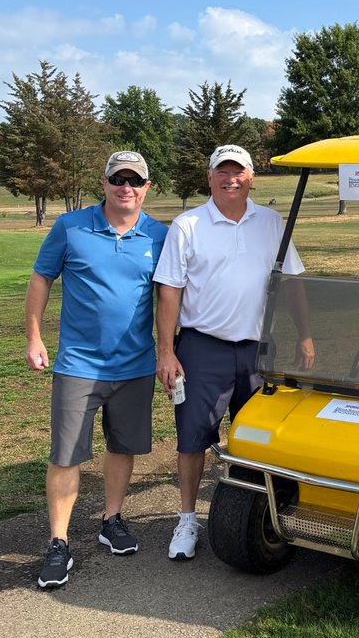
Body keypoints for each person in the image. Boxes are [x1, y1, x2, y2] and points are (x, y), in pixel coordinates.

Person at [154, 144, 314, 559]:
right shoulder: (187, 225)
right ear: (209, 178)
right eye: (222, 172)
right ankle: (188, 520)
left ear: (251, 177)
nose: (231, 179)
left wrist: (305, 335)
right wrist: (166, 352)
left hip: (258, 351)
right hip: (202, 350)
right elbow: (169, 291)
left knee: (261, 438)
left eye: (238, 171)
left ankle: (261, 515)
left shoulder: (272, 221)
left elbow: (292, 282)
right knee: (193, 439)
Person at [25, 151, 167, 589]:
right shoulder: (71, 227)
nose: (126, 187)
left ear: (147, 187)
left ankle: (111, 518)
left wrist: (168, 350)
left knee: (122, 447)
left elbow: (169, 296)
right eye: (117, 179)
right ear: (103, 183)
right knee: (66, 453)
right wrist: (34, 336)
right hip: (79, 364)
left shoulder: (160, 235)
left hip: (136, 364)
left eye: (135, 180)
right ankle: (59, 542)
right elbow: (40, 279)